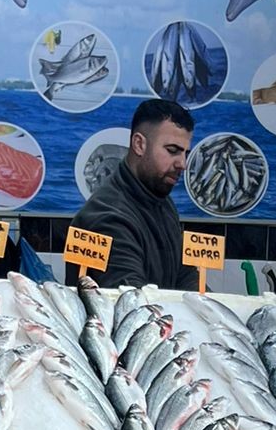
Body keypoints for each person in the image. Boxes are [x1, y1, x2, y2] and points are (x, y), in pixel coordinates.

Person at [71, 99, 197, 289]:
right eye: (172, 151)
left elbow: (186, 275)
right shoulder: (106, 217)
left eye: (185, 153)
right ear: (139, 144)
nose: (183, 164)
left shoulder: (162, 201)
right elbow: (130, 298)